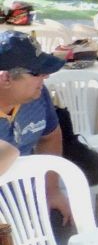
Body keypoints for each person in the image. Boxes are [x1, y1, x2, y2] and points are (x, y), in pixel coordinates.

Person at [0, 31, 73, 232]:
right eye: (36, 72)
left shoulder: (38, 96)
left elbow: (50, 137)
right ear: (6, 78)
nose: (45, 76)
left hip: (26, 194)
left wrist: (52, 190)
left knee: (63, 223)